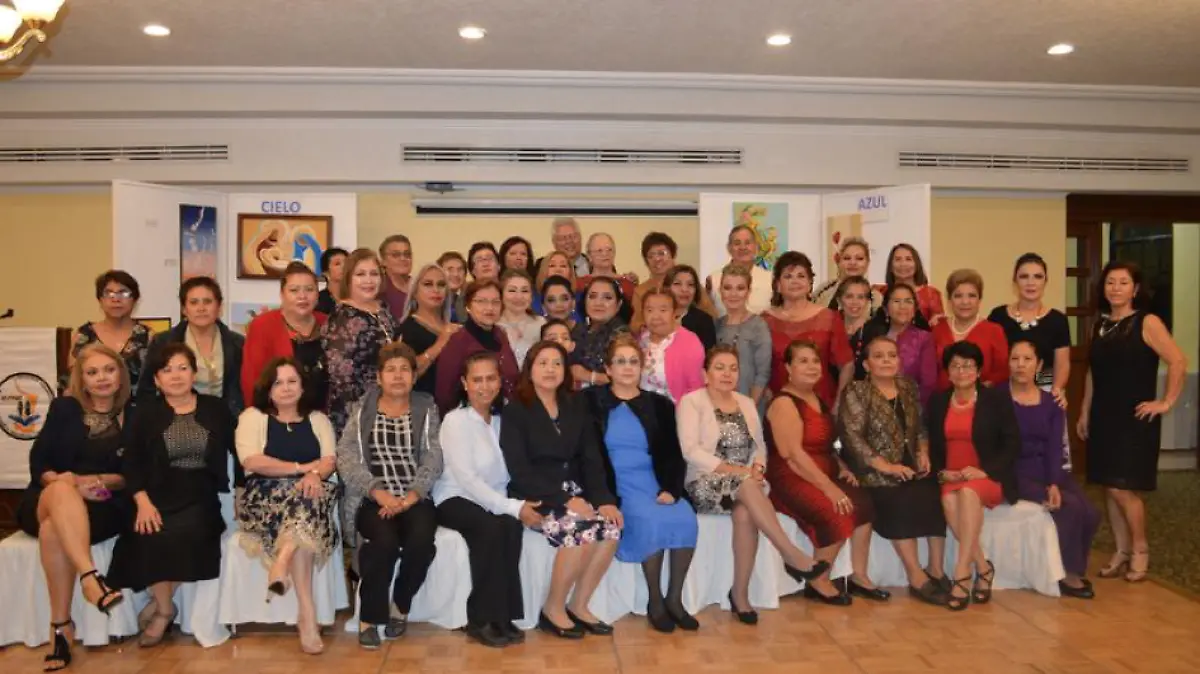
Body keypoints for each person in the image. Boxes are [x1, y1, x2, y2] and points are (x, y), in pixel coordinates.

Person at [677, 346, 827, 625]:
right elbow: (691, 451)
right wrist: (739, 472)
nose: (727, 374)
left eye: (733, 368)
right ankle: (791, 554)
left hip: (745, 483)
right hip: (705, 482)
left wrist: (758, 468)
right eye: (719, 368)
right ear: (705, 374)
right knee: (746, 486)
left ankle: (740, 594)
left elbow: (759, 446)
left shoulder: (745, 402)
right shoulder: (692, 402)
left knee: (745, 511)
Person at [106, 343, 234, 647]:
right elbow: (131, 462)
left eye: (182, 368)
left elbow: (240, 450)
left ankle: (161, 603)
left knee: (192, 534)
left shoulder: (215, 409)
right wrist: (142, 501)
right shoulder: (144, 413)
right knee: (147, 535)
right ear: (156, 379)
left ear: (194, 373)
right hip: (155, 495)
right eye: (166, 370)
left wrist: (241, 490)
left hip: (200, 495)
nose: (175, 376)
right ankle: (165, 609)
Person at [18, 344, 131, 671]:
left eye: (109, 370)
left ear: (121, 375)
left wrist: (93, 481)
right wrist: (67, 484)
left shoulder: (136, 414)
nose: (101, 378)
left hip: (103, 504)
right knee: (60, 491)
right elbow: (39, 463)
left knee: (53, 529)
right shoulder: (64, 408)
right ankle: (90, 577)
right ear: (82, 380)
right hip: (46, 497)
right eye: (92, 372)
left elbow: (133, 474)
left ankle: (61, 627)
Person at [500, 341, 622, 639]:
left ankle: (579, 605)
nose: (550, 369)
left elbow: (591, 457)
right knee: (580, 530)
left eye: (557, 363)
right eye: (542, 363)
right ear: (530, 369)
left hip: (577, 491)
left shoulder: (575, 404)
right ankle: (553, 609)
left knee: (611, 528)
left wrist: (603, 500)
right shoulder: (516, 410)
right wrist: (565, 500)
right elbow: (519, 469)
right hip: (538, 494)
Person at [1078, 261, 1186, 583]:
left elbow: (1178, 360)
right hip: (1104, 416)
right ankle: (1121, 550)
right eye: (1110, 282)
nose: (1115, 288)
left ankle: (1140, 549)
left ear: (1135, 289)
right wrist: (1085, 411)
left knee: (1123, 487)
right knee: (1109, 486)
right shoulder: (1100, 325)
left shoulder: (1147, 322)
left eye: (1123, 282)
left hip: (1135, 417)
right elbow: (1092, 373)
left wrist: (1166, 402)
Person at [585, 336, 699, 633]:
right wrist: (602, 496)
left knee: (685, 517)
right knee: (649, 520)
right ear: (608, 369)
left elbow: (673, 454)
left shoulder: (660, 405)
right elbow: (587, 454)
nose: (627, 367)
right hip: (616, 482)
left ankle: (675, 598)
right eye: (620, 361)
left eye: (633, 362)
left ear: (642, 367)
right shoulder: (590, 402)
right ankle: (655, 601)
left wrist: (671, 489)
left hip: (653, 479)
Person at [336, 343, 443, 649]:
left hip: (414, 497)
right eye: (391, 370)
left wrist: (411, 496)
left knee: (421, 542)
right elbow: (346, 455)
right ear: (379, 377)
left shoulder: (426, 407)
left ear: (414, 376)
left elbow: (434, 456)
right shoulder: (363, 408)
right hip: (373, 499)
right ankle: (369, 619)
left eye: (405, 369)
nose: (398, 376)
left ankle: (401, 605)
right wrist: (377, 492)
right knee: (382, 543)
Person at [766, 340, 885, 606]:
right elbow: (793, 455)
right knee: (837, 510)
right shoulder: (784, 403)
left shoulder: (817, 399)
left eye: (815, 361)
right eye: (803, 361)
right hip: (791, 476)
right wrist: (829, 488)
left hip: (821, 471)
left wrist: (841, 467)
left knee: (864, 504)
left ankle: (858, 575)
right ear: (788, 368)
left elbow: (825, 445)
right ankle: (818, 579)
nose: (812, 367)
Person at [433, 353, 540, 648]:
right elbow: (466, 479)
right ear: (464, 383)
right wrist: (512, 507)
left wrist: (513, 507)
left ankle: (504, 615)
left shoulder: (503, 421)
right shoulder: (455, 421)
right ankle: (480, 619)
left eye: (490, 378)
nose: (484, 386)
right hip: (454, 497)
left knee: (510, 527)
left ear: (500, 381)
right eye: (477, 380)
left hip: (493, 498)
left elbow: (508, 474)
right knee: (490, 529)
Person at [235, 358, 339, 654]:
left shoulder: (318, 419)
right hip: (263, 498)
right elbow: (252, 461)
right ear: (268, 390)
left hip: (311, 492)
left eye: (292, 381)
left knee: (307, 500)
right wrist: (303, 468)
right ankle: (308, 616)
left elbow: (329, 461)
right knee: (305, 507)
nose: (286, 388)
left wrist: (315, 474)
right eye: (278, 383)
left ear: (303, 387)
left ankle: (283, 567)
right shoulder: (253, 417)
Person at [838, 337, 949, 605]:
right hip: (872, 471)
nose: (887, 360)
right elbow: (852, 438)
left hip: (909, 467)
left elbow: (920, 426)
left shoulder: (907, 386)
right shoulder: (857, 391)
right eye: (879, 356)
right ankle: (916, 576)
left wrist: (923, 452)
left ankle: (936, 569)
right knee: (901, 499)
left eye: (891, 355)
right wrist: (886, 466)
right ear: (867, 364)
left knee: (934, 493)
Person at [1002, 340, 1100, 598]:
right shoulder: (997, 399)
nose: (1020, 365)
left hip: (1048, 468)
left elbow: (1055, 446)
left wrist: (1053, 482)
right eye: (1015, 359)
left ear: (1039, 365)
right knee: (1070, 506)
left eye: (1027, 359)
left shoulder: (1052, 402)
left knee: (1091, 512)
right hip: (1014, 471)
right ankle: (1066, 574)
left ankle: (1076, 567)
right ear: (1008, 363)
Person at [927, 341, 1020, 610]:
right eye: (955, 366)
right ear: (948, 371)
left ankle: (961, 573)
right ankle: (984, 567)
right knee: (949, 500)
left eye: (968, 365)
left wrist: (984, 471)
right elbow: (932, 446)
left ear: (978, 371)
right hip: (952, 477)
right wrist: (941, 472)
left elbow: (1013, 443)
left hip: (987, 476)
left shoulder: (996, 400)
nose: (961, 371)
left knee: (968, 492)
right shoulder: (938, 402)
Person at [139, 277, 245, 417]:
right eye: (194, 302)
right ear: (184, 309)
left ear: (219, 307)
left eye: (207, 302)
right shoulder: (163, 342)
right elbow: (147, 388)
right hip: (175, 417)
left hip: (228, 419)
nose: (201, 309)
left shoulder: (238, 343)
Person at [323, 248, 401, 435]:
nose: (368, 280)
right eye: (360, 274)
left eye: (374, 274)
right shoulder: (342, 317)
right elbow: (340, 377)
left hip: (391, 408)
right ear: (348, 278)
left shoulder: (383, 309)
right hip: (356, 415)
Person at [763, 252, 854, 408]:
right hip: (778, 405)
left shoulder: (829, 318)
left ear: (810, 283)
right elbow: (757, 369)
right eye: (788, 276)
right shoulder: (764, 321)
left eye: (801, 276)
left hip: (821, 405)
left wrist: (839, 403)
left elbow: (847, 364)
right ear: (777, 285)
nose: (795, 281)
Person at [987, 253, 1071, 406]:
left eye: (1038, 277)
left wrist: (1056, 390)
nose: (1031, 283)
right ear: (1015, 281)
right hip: (1003, 395)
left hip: (1044, 394)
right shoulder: (998, 316)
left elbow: (1062, 364)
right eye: (1024, 277)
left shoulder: (1057, 320)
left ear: (1045, 281)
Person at [434, 280, 520, 415]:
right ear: (468, 305)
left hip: (508, 415)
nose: (489, 308)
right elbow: (445, 393)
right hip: (470, 418)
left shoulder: (500, 334)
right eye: (481, 301)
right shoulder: (457, 341)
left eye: (495, 302)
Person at [72, 270, 151, 392]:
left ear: (134, 300)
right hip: (91, 403)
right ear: (100, 300)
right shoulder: (83, 336)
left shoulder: (148, 336)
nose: (116, 299)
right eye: (109, 293)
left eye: (123, 293)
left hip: (138, 403)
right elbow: (72, 381)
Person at [932, 269, 1008, 391]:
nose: (965, 302)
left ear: (979, 300)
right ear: (949, 300)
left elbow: (1003, 372)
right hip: (941, 399)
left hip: (981, 399)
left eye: (972, 296)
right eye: (958, 296)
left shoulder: (994, 331)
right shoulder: (938, 329)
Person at [397, 263, 460, 396]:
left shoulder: (454, 327)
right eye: (428, 284)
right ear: (415, 292)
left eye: (441, 285)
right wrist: (440, 344)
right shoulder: (407, 329)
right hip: (422, 403)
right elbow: (404, 375)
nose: (436, 290)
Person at [715, 264, 772, 410]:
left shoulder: (758, 326)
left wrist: (748, 409)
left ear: (748, 292)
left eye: (740, 288)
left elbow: (762, 374)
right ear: (720, 291)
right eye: (728, 288)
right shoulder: (716, 325)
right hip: (717, 407)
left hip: (749, 407)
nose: (733, 294)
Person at [636, 289, 705, 402]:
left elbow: (696, 389)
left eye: (663, 310)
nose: (656, 316)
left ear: (674, 312)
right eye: (649, 310)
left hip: (676, 409)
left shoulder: (689, 342)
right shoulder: (641, 339)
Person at [877, 283, 938, 407]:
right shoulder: (875, 338)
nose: (902, 306)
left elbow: (928, 384)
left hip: (913, 409)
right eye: (896, 301)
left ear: (915, 309)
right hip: (876, 408)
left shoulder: (924, 338)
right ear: (886, 309)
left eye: (908, 301)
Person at [569, 276, 629, 389]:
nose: (599, 303)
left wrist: (589, 376)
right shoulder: (578, 329)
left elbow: (626, 379)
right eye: (592, 296)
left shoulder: (621, 335)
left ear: (619, 304)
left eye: (607, 298)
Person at [706, 225, 774, 315]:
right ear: (729, 248)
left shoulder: (770, 279)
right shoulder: (713, 280)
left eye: (748, 243)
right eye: (737, 243)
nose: (743, 247)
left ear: (756, 247)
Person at [812, 237, 884, 314]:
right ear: (839, 262)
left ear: (867, 263)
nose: (852, 263)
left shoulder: (875, 299)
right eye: (847, 258)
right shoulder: (824, 289)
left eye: (859, 258)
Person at [876, 243, 944, 325]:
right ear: (890, 266)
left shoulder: (931, 294)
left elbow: (938, 326)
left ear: (917, 264)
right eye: (898, 259)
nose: (903, 264)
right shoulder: (879, 292)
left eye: (908, 259)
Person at [630, 232, 678, 332]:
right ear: (646, 262)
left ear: (672, 255)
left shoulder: (687, 285)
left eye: (662, 253)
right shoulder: (640, 291)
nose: (657, 259)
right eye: (651, 256)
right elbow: (635, 326)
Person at [497, 269, 547, 367]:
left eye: (524, 291)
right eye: (512, 290)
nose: (519, 296)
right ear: (501, 294)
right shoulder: (493, 325)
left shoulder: (541, 323)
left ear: (531, 296)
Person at [665, 265, 718, 352]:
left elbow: (709, 356)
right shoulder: (659, 317)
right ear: (666, 288)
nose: (684, 289)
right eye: (677, 284)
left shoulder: (704, 320)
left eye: (690, 285)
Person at [576, 232, 637, 300]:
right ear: (589, 256)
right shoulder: (579, 285)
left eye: (609, 250)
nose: (605, 254)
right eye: (599, 250)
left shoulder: (626, 284)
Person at [837, 276, 875, 380]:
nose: (855, 302)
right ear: (839, 300)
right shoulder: (831, 329)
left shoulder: (876, 332)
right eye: (849, 296)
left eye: (860, 297)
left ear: (868, 301)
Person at [378, 235, 414, 323]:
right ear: (383, 261)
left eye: (407, 254)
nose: (403, 258)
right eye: (396, 255)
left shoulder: (420, 286)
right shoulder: (378, 289)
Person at [532, 250, 578, 317]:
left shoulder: (580, 299)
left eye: (563, 266)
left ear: (570, 272)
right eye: (552, 265)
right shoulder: (532, 298)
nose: (558, 269)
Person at [437, 251, 468, 323]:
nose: (456, 274)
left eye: (460, 269)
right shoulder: (433, 299)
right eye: (450, 269)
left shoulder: (468, 299)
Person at [315, 247, 348, 315]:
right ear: (326, 272)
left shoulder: (356, 297)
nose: (344, 266)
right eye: (337, 264)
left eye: (347, 263)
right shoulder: (318, 300)